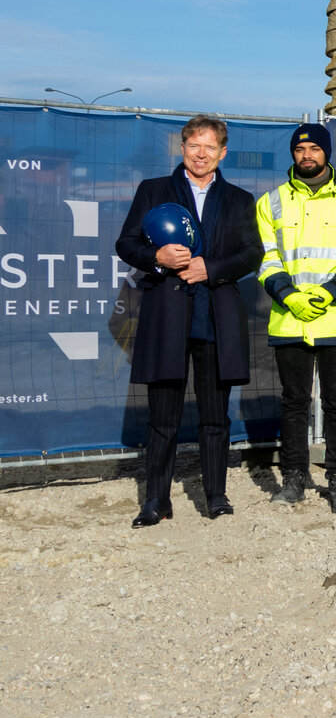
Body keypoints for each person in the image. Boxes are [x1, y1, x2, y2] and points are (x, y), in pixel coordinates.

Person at [116, 115, 265, 526]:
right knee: (163, 417)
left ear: (223, 152)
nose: (201, 155)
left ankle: (216, 495)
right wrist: (156, 258)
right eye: (193, 146)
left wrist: (211, 269)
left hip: (215, 317)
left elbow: (253, 254)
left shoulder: (239, 199)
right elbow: (126, 242)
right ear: (182, 149)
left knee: (215, 416)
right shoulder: (155, 190)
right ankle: (155, 501)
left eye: (210, 147)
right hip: (167, 314)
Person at [256, 123, 336, 514]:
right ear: (293, 154)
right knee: (294, 402)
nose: (307, 155)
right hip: (290, 319)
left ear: (327, 154)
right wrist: (289, 296)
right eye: (300, 149)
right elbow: (266, 257)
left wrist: (327, 293)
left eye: (314, 149)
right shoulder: (270, 202)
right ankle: (293, 478)